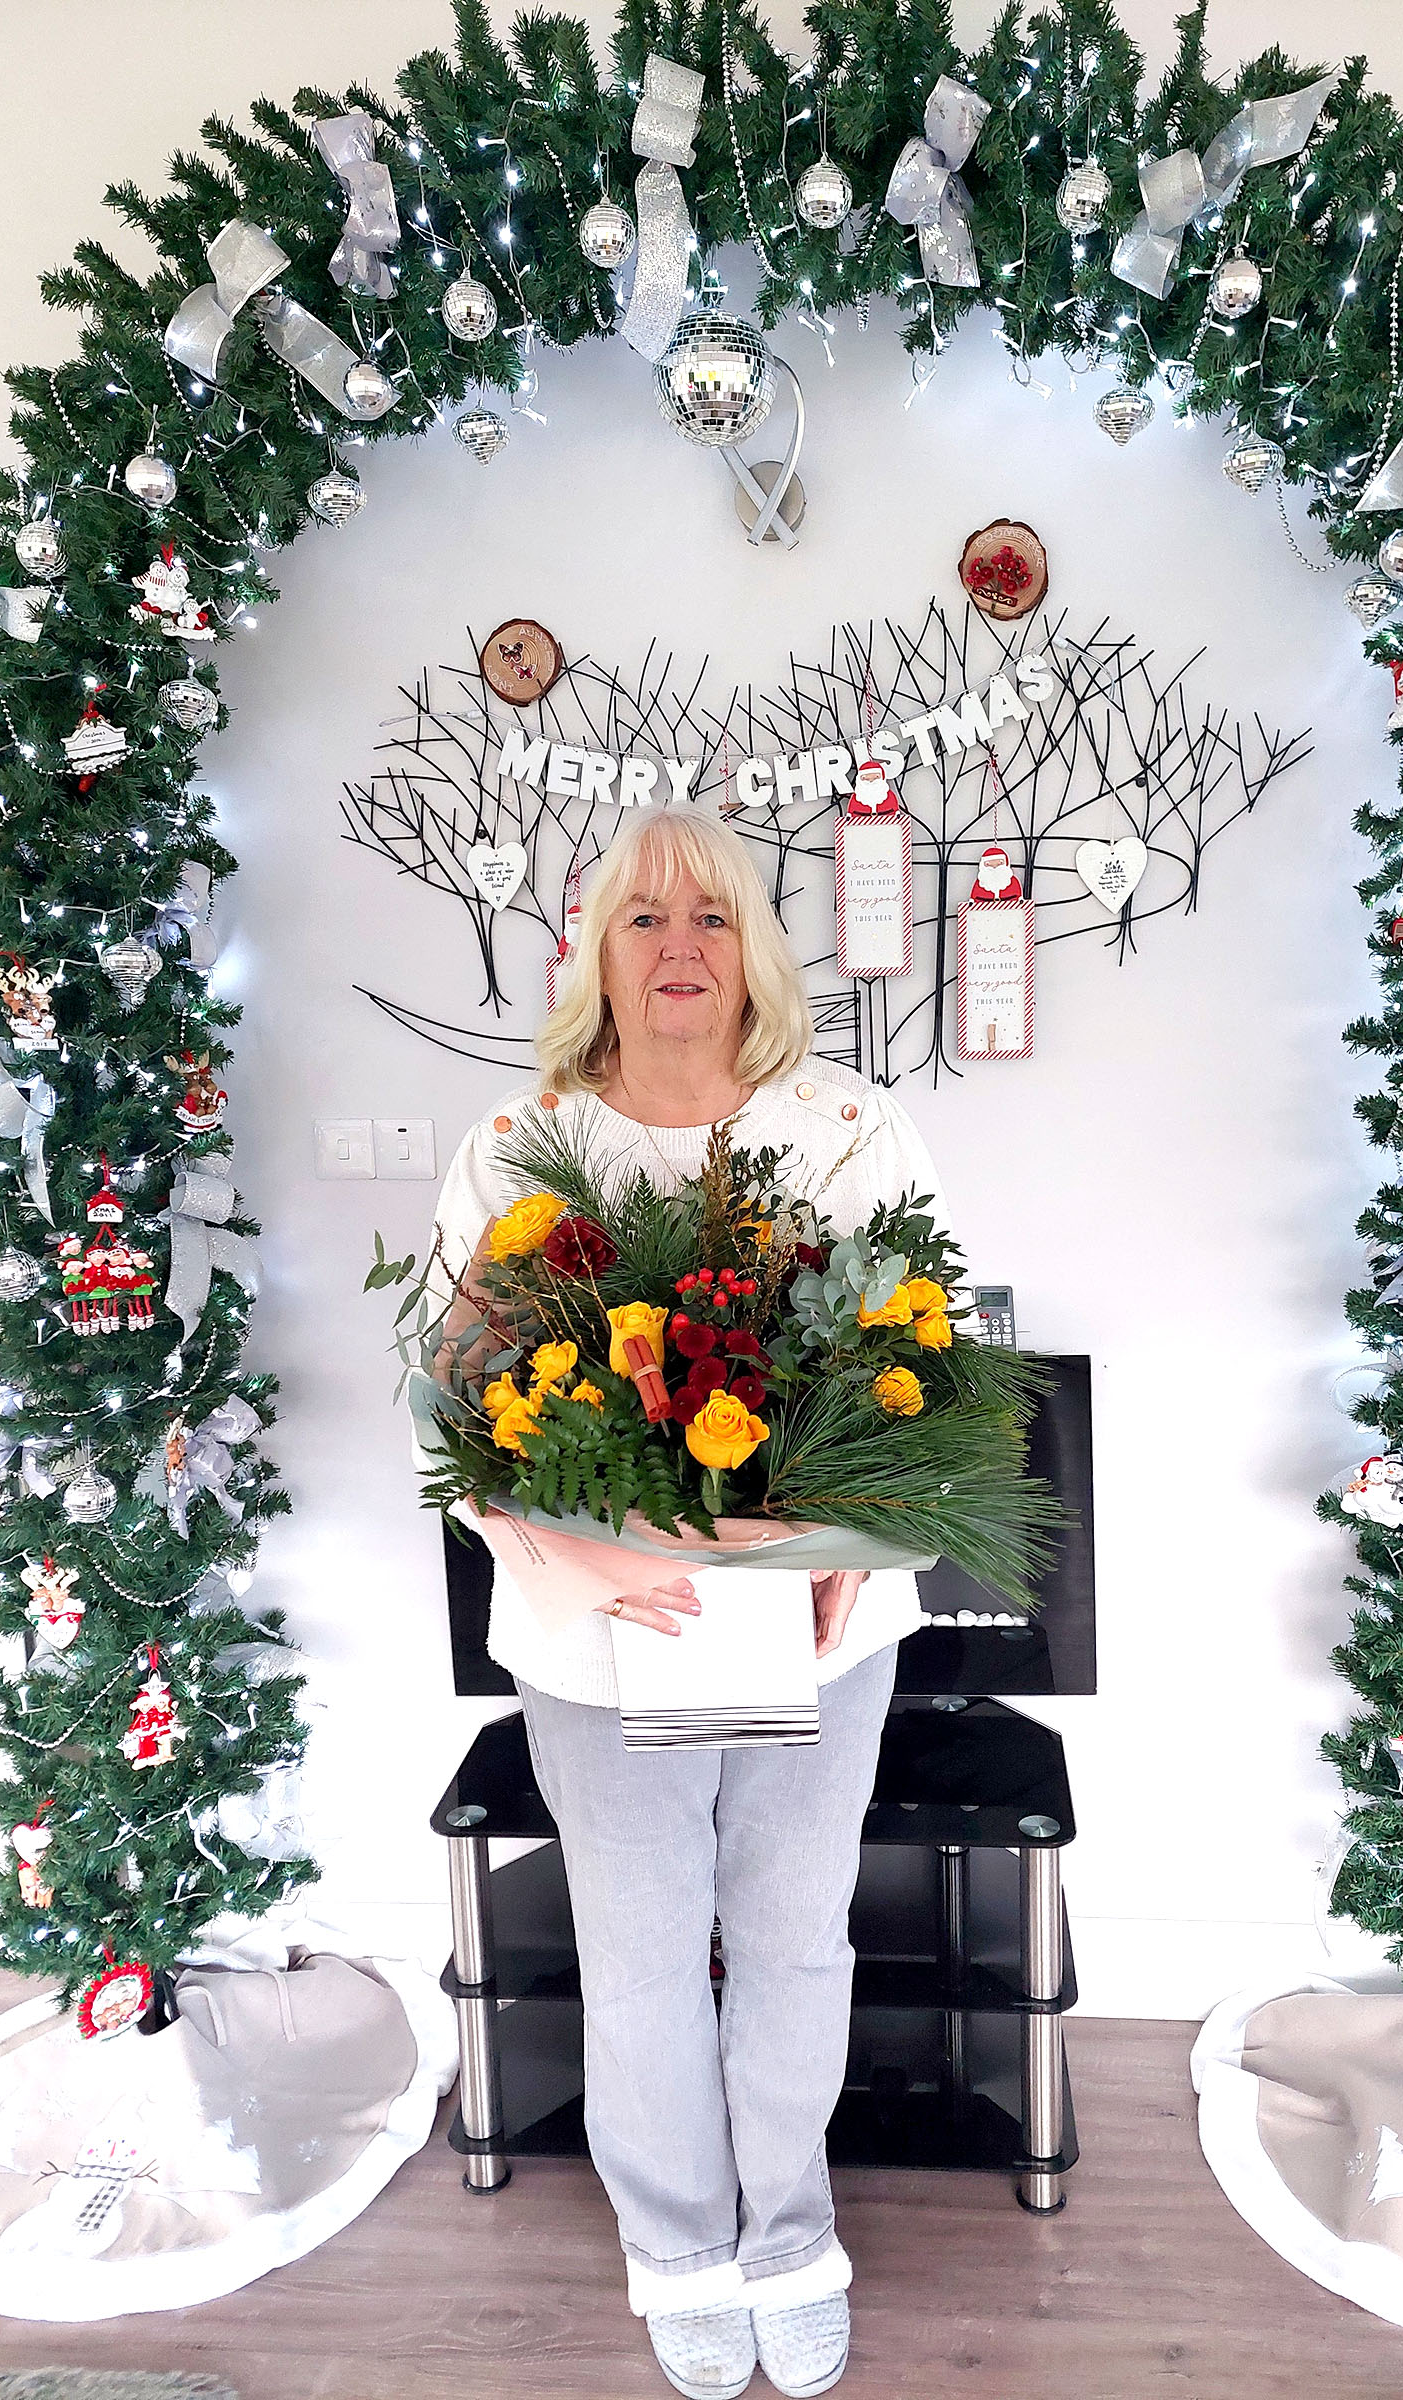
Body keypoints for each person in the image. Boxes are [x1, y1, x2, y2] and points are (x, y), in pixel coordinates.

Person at [429, 808, 939, 2400]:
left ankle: (787, 2233)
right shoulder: (521, 1149)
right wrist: (602, 1564)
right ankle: (676, 2245)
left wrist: (852, 1536)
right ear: (596, 952)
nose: (677, 950)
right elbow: (456, 1420)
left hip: (813, 1624)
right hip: (603, 1638)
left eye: (710, 918)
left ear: (754, 949)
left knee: (792, 1940)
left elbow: (944, 1375)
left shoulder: (850, 1132)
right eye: (643, 920)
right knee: (642, 1951)